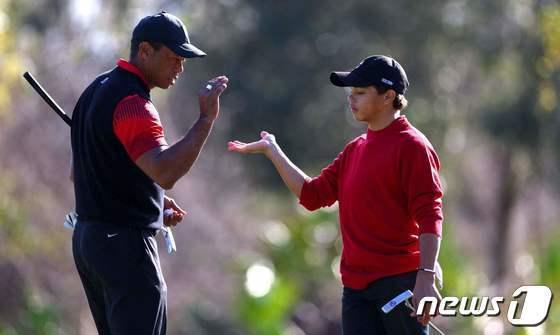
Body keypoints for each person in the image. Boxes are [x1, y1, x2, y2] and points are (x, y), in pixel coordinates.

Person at [228, 55, 443, 334]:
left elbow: (430, 215)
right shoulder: (355, 149)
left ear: (389, 96)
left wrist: (425, 277)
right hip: (356, 289)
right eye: (350, 93)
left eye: (360, 93)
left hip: (399, 283)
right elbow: (312, 195)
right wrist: (273, 151)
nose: (351, 99)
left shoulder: (413, 146)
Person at [70, 11, 228, 334]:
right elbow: (166, 171)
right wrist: (206, 120)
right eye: (174, 57)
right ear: (144, 51)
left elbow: (82, 171)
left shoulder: (94, 90)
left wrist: (150, 201)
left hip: (89, 239)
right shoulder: (133, 103)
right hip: (124, 245)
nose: (180, 69)